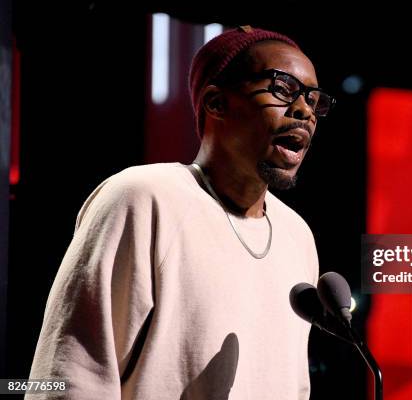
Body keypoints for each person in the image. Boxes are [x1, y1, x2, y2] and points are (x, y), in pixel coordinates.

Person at [27, 25, 335, 399]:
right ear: (215, 102)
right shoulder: (144, 199)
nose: (305, 110)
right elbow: (69, 378)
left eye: (314, 100)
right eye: (283, 89)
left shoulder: (296, 236)